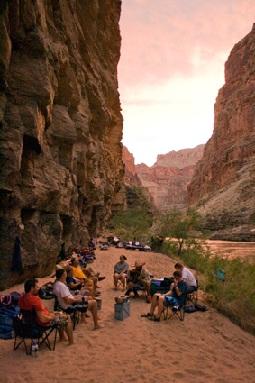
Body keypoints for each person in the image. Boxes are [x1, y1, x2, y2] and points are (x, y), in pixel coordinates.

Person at [19, 278, 73, 344]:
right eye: (37, 287)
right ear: (32, 288)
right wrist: (53, 316)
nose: (39, 288)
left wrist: (53, 314)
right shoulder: (35, 300)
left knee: (59, 314)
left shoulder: (21, 298)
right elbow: (43, 319)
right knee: (67, 318)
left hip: (28, 324)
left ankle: (62, 337)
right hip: (40, 325)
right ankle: (71, 342)